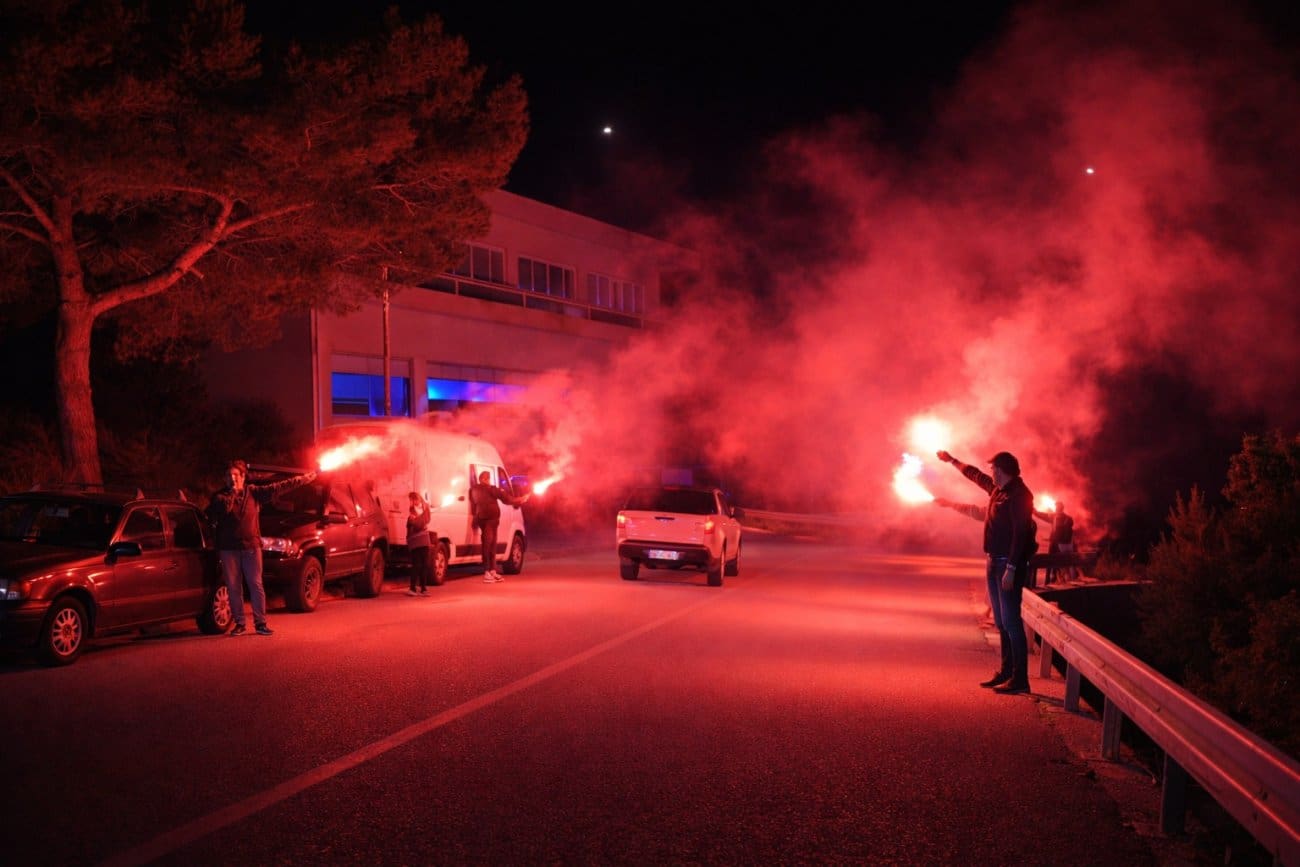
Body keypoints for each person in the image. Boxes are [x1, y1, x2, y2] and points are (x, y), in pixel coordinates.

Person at [933, 449, 1038, 694]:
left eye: (993, 468)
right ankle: (1006, 672)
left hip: (1007, 565)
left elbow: (1021, 535)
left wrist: (1011, 567)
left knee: (1012, 622)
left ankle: (1020, 679)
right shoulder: (997, 491)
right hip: (993, 562)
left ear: (1002, 469)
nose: (990, 472)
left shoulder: (1020, 496)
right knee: (1001, 622)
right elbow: (975, 475)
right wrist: (952, 461)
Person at [207, 460, 317, 636]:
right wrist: (233, 493)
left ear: (243, 477)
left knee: (256, 584)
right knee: (234, 587)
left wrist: (302, 479)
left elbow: (278, 487)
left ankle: (260, 623)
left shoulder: (254, 493)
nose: (232, 479)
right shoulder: (219, 497)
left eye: (236, 475)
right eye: (229, 476)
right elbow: (224, 509)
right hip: (229, 549)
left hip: (251, 547)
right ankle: (240, 623)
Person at [468, 470, 529, 583]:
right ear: (484, 479)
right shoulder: (491, 489)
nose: (489, 481)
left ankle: (492, 571)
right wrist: (520, 499)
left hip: (483, 519)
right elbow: (506, 499)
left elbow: (474, 504)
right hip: (490, 520)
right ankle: (487, 572)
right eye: (488, 479)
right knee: (489, 545)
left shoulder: (474, 489)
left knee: (491, 545)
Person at [1033, 501, 1076, 584]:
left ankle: (1057, 579)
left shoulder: (1063, 518)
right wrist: (1035, 512)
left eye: (1057, 507)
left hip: (1060, 545)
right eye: (1056, 507)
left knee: (1059, 564)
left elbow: (1068, 532)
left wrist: (1035, 512)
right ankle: (1053, 579)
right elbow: (1042, 515)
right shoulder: (1056, 517)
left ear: (1060, 508)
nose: (1056, 509)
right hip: (1057, 544)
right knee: (1053, 564)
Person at [406, 491, 432, 596]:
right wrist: (421, 521)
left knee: (425, 564)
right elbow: (417, 525)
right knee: (416, 564)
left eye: (415, 499)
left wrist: (421, 520)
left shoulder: (425, 510)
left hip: (424, 540)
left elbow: (425, 520)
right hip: (415, 541)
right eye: (412, 500)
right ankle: (412, 588)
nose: (414, 501)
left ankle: (423, 588)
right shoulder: (411, 512)